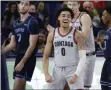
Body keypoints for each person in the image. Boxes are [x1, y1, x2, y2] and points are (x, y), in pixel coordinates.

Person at [43, 7, 87, 89]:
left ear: (71, 19)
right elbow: (45, 57)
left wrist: (76, 74)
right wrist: (46, 74)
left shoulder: (78, 34)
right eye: (63, 15)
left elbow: (83, 57)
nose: (66, 18)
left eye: (68, 16)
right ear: (58, 18)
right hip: (57, 69)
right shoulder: (52, 34)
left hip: (73, 68)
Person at [2, 1, 39, 90]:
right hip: (19, 56)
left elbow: (32, 45)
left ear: (29, 7)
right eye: (21, 3)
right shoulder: (15, 23)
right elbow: (12, 44)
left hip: (27, 58)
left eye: (26, 4)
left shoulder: (32, 22)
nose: (23, 6)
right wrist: (1, 51)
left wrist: (22, 62)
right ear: (18, 5)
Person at [67, 1, 96, 89]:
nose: (72, 7)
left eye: (74, 4)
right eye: (70, 5)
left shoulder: (84, 17)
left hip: (87, 56)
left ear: (79, 5)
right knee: (72, 86)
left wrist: (69, 33)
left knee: (84, 87)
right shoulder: (66, 18)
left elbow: (84, 37)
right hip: (74, 57)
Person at [100, 6, 111, 90]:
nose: (101, 17)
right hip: (107, 62)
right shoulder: (107, 30)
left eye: (104, 15)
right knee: (104, 86)